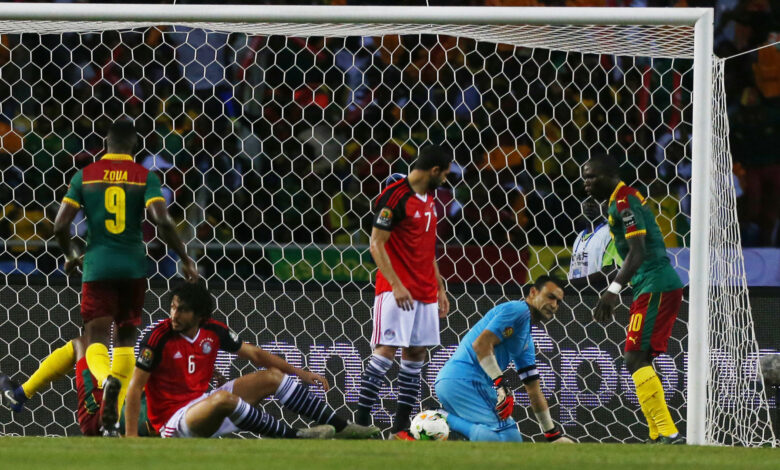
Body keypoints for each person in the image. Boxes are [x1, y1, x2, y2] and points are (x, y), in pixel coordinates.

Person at [52, 120, 199, 434]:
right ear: (133, 146)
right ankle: (115, 416)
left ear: (107, 144)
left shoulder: (85, 175)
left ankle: (105, 380)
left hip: (97, 265)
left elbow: (60, 225)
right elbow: (162, 221)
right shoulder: (145, 176)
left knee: (95, 338)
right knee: (126, 338)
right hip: (133, 267)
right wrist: (185, 258)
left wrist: (71, 254)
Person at [124, 282, 379, 439]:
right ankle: (295, 436)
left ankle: (342, 427)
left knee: (272, 377)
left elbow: (256, 354)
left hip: (205, 406)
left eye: (182, 310)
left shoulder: (214, 331)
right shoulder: (158, 337)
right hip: (175, 423)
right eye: (173, 307)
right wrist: (131, 437)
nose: (174, 315)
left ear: (200, 315)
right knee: (222, 398)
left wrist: (302, 373)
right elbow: (135, 387)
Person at [582, 155, 685, 444]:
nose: (586, 183)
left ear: (610, 175)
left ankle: (668, 433)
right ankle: (657, 434)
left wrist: (612, 291)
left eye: (592, 176)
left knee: (634, 357)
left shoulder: (625, 202)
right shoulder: (618, 202)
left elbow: (637, 251)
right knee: (639, 358)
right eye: (584, 177)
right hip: (650, 284)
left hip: (656, 283)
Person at [355, 145, 452, 439]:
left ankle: (399, 429)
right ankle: (360, 426)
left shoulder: (430, 199)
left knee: (416, 355)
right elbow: (376, 243)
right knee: (386, 351)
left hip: (425, 291)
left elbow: (427, 247)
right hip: (396, 289)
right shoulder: (394, 196)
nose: (446, 179)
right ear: (433, 170)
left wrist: (440, 287)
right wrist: (396, 284)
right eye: (445, 174)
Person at [434, 276, 573, 443]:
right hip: (465, 380)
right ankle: (440, 417)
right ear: (533, 292)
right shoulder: (518, 310)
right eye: (550, 297)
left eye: (559, 302)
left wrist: (553, 435)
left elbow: (533, 389)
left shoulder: (526, 342)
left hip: (460, 383)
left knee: (509, 439)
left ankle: (445, 423)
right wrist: (501, 384)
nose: (554, 305)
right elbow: (481, 345)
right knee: (507, 439)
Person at [0, 335, 153, 436]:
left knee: (82, 344)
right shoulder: (159, 339)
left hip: (104, 413)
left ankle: (20, 395)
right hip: (145, 413)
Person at [568, 199, 622, 290]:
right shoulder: (579, 236)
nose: (590, 204)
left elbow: (612, 273)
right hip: (577, 294)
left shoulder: (611, 233)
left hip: (598, 294)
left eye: (596, 200)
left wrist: (571, 283)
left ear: (607, 206)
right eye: (587, 200)